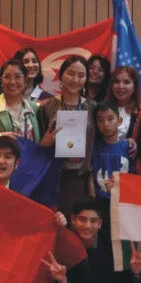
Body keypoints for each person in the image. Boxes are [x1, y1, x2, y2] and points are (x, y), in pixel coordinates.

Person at [46, 199, 141, 283]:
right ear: (73, 220)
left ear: (100, 223)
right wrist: (64, 281)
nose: (87, 226)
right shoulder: (65, 247)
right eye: (82, 219)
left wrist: (136, 273)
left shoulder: (115, 246)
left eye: (93, 221)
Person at [37, 55, 95, 214]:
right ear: (61, 75)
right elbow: (38, 146)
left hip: (82, 179)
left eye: (81, 75)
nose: (75, 80)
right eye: (70, 73)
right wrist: (45, 143)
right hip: (54, 177)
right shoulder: (46, 107)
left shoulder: (92, 107)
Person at [0, 59, 41, 141]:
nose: (12, 82)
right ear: (1, 80)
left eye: (17, 76)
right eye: (7, 77)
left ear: (25, 80)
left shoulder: (34, 107)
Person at [91, 103, 131, 204]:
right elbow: (90, 176)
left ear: (119, 121)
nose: (105, 124)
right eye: (100, 120)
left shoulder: (129, 147)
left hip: (124, 202)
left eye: (110, 119)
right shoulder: (93, 148)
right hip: (100, 202)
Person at [108, 65, 141, 143]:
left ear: (134, 87)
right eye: (117, 81)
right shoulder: (102, 109)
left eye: (126, 82)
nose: (121, 86)